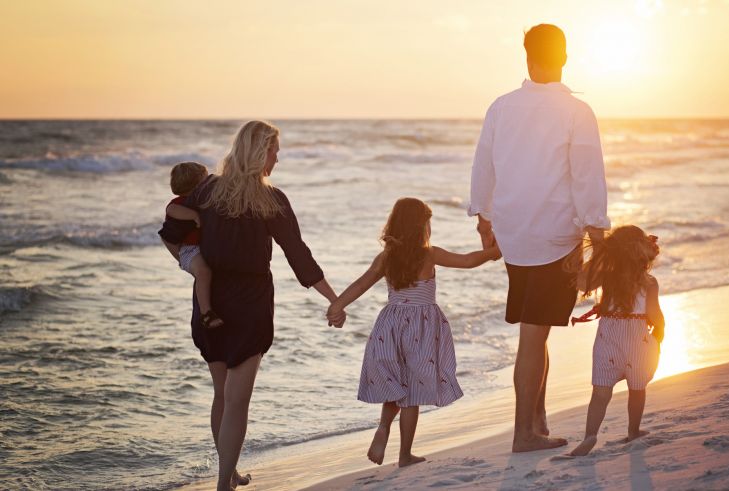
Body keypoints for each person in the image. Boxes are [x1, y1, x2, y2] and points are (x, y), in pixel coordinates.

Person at [158, 120, 345, 491]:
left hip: (210, 303)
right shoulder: (271, 199)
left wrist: (194, 267)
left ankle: (228, 472)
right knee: (237, 400)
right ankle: (224, 483)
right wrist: (333, 298)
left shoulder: (207, 190)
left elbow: (169, 231)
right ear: (260, 153)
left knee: (222, 395)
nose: (278, 157)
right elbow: (298, 255)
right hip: (250, 306)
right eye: (274, 150)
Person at [468, 23, 610, 452]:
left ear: (526, 55)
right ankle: (523, 434)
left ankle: (538, 420)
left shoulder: (501, 107)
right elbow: (588, 176)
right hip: (553, 238)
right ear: (564, 57)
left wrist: (484, 219)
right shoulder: (576, 111)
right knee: (533, 335)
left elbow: (483, 166)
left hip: (515, 236)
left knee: (538, 331)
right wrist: (598, 236)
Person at [326, 198, 501, 468]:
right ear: (422, 226)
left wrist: (337, 305)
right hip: (422, 326)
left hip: (391, 324)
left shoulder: (386, 257)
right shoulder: (429, 254)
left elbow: (361, 284)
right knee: (413, 394)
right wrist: (493, 252)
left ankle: (384, 427)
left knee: (397, 382)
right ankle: (405, 454)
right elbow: (466, 261)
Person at [567, 225, 665, 457]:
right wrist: (659, 334)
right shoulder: (649, 282)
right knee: (637, 389)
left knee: (600, 392)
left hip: (608, 338)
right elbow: (655, 313)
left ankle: (590, 435)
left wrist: (598, 258)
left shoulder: (607, 277)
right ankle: (633, 430)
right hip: (637, 339)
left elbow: (582, 284)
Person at [162, 161, 223, 329]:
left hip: (199, 248)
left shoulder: (200, 199)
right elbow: (171, 210)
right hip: (190, 250)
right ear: (196, 185)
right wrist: (194, 215)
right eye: (205, 180)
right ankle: (206, 314)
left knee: (209, 273)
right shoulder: (181, 203)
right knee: (203, 273)